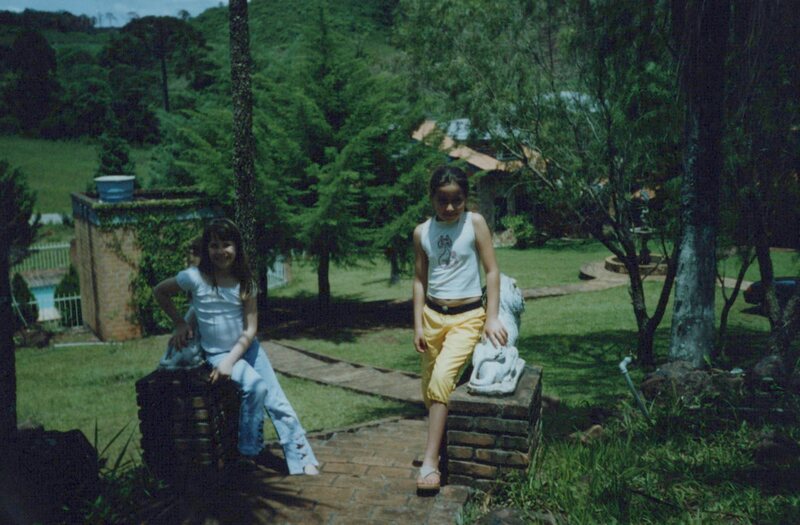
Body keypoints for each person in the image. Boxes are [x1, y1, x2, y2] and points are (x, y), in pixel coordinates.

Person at [153, 218, 319, 475]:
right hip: (218, 354)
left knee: (277, 401)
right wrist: (180, 324)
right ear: (206, 249)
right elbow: (160, 291)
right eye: (214, 245)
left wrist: (231, 361)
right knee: (255, 386)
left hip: (248, 350)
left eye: (227, 244)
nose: (221, 251)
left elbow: (250, 330)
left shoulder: (245, 282)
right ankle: (249, 451)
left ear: (237, 247)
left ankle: (301, 455)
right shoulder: (194, 277)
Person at [412, 165, 508, 492]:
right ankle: (443, 448)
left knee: (442, 380)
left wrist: (491, 317)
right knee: (429, 389)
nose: (450, 207)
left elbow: (492, 271)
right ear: (432, 198)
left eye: (457, 200)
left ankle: (430, 462)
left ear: (466, 198)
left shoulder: (474, 223)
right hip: (432, 317)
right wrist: (418, 325)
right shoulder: (421, 232)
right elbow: (419, 280)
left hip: (467, 318)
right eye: (443, 200)